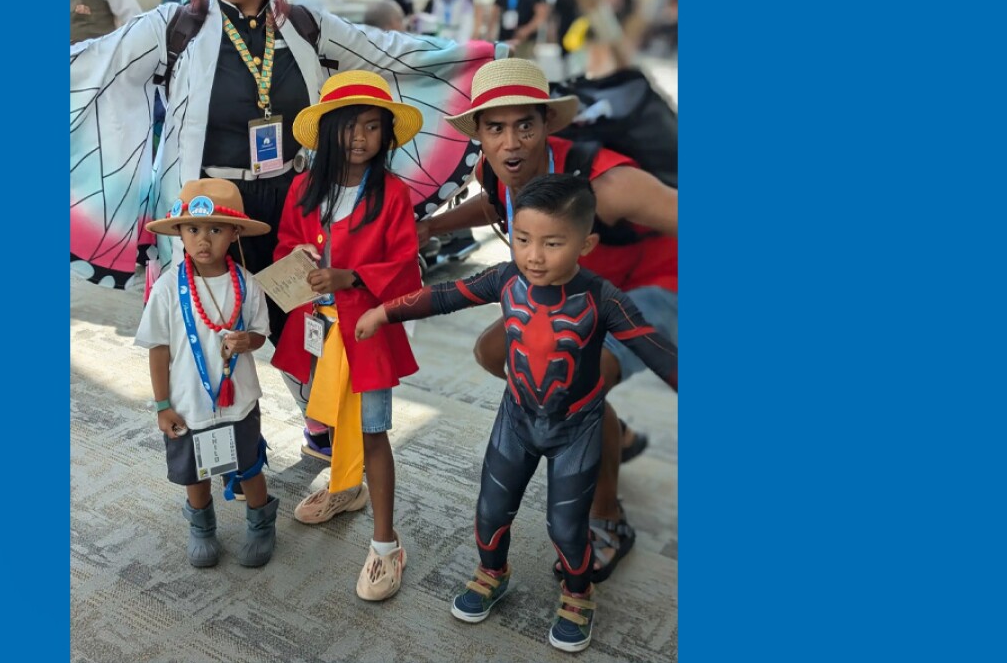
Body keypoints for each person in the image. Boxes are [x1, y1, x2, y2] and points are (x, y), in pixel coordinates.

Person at [71, 0, 503, 335]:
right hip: (209, 218)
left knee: (310, 347)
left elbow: (392, 54)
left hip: (296, 211)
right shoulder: (172, 28)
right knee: (211, 364)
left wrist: (484, 60)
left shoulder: (306, 27)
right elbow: (91, 65)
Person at [355, 174, 678, 653]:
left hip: (577, 428)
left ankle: (578, 594)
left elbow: (658, 352)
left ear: (585, 243)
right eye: (523, 240)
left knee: (567, 528)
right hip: (518, 420)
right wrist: (384, 312)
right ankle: (491, 572)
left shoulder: (603, 298)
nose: (534, 256)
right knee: (490, 511)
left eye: (552, 243)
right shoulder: (507, 279)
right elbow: (447, 295)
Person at [417, 58, 678, 584]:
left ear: (546, 125)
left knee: (582, 378)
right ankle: (612, 434)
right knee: (495, 352)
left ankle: (608, 519)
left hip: (664, 282)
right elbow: (497, 205)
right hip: (581, 292)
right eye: (496, 128)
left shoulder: (606, 183)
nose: (511, 143)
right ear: (481, 137)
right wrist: (434, 225)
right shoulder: (494, 172)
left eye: (524, 126)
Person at [270, 71, 423, 601]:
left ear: (385, 137)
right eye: (350, 126)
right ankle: (345, 487)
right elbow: (285, 246)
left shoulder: (394, 193)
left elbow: (406, 266)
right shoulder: (302, 189)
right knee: (329, 415)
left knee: (374, 430)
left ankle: (385, 544)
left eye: (373, 127)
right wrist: (298, 260)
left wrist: (351, 277)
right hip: (318, 329)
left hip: (365, 331)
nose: (360, 138)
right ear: (329, 131)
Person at [136, 179, 278, 568]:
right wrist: (163, 404)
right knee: (193, 473)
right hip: (186, 403)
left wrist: (247, 341)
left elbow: (260, 335)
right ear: (179, 232)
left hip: (239, 400)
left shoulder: (247, 285)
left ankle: (261, 520)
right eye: (193, 229)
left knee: (249, 465)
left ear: (234, 234)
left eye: (215, 229)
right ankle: (202, 526)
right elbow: (158, 348)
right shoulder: (167, 288)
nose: (203, 240)